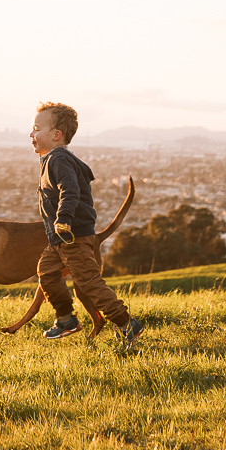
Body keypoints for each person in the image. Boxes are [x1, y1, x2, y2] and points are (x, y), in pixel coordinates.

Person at [30, 102, 145, 347]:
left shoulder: (59, 159)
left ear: (56, 135)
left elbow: (69, 191)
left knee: (89, 282)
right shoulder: (52, 159)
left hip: (72, 235)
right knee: (47, 273)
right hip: (59, 239)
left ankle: (126, 324)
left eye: (37, 128)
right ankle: (66, 319)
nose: (32, 134)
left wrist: (63, 219)